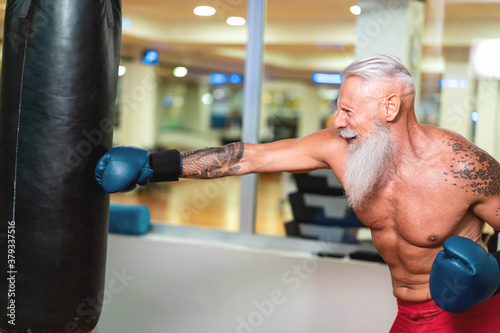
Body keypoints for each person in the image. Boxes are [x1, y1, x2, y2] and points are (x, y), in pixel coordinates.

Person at [95, 54, 500, 332]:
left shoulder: (462, 167)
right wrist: (154, 167)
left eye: (348, 111)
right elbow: (249, 157)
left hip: (473, 315)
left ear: (390, 108)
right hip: (408, 314)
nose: (336, 120)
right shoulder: (339, 147)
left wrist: (493, 276)